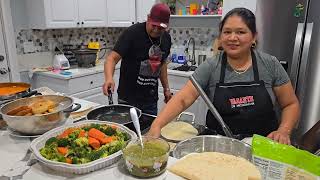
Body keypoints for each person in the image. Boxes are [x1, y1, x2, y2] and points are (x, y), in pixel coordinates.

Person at [148, 7, 300, 145]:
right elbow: (182, 99)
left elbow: (290, 104)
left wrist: (284, 130)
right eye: (227, 32)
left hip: (262, 147)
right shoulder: (211, 66)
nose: (232, 38)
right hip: (219, 147)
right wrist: (157, 125)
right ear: (220, 36)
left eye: (241, 32)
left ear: (254, 37)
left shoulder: (269, 64)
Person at [102, 3, 172, 115]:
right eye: (154, 25)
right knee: (128, 131)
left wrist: (166, 89)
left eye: (160, 27)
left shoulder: (166, 39)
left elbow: (162, 64)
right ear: (148, 18)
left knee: (148, 131)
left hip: (150, 101)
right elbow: (112, 59)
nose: (156, 30)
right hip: (128, 100)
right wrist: (109, 78)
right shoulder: (132, 33)